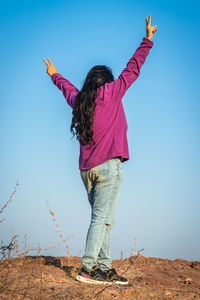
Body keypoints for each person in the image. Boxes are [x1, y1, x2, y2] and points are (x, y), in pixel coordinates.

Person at [43, 15, 157, 285]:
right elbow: (133, 68)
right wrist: (148, 39)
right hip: (108, 167)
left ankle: (104, 268)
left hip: (86, 171)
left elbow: (67, 89)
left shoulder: (80, 101)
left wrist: (54, 74)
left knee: (104, 219)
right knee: (101, 219)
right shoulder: (112, 92)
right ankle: (88, 268)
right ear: (105, 82)